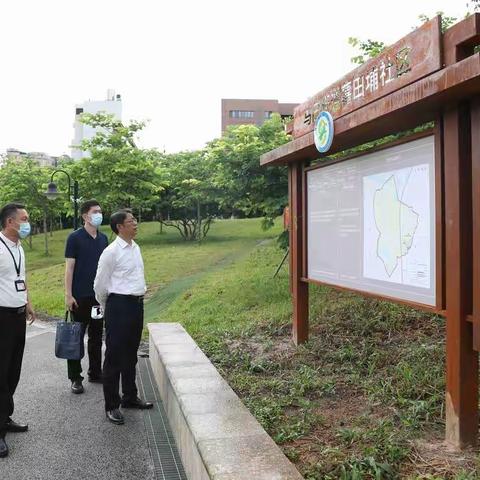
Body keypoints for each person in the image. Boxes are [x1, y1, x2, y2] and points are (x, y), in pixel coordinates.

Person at [94, 209, 152, 425]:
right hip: (118, 306)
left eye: (135, 220)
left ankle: (129, 396)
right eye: (131, 221)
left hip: (136, 305)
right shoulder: (111, 252)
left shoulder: (135, 248)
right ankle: (112, 405)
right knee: (114, 356)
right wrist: (107, 305)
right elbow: (100, 285)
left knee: (130, 353)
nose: (135, 224)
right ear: (120, 226)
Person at [0, 203, 35, 458]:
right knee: (0, 374)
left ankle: (5, 417)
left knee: (13, 371)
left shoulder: (18, 247)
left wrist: (28, 303)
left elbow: (21, 278)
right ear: (10, 222)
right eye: (24, 219)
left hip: (18, 316)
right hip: (1, 317)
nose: (27, 223)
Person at [64, 200, 108, 394]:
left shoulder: (104, 238)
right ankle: (75, 377)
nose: (99, 214)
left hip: (98, 298)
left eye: (100, 211)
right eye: (95, 212)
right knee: (76, 337)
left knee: (97, 336)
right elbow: (69, 268)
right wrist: (68, 294)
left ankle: (95, 372)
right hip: (80, 298)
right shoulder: (74, 238)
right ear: (85, 216)